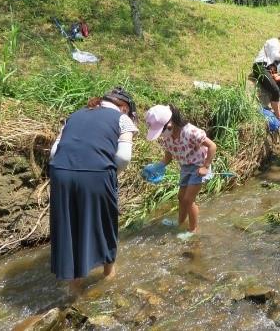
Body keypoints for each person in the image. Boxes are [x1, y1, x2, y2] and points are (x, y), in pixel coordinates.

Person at [49, 87, 138, 294]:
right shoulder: (122, 119)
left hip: (60, 173)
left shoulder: (75, 115)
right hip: (96, 173)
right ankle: (109, 275)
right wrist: (110, 174)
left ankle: (73, 287)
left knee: (70, 227)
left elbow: (54, 151)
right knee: (105, 223)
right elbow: (124, 158)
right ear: (123, 107)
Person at [144, 105, 217, 235]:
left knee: (189, 200)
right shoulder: (168, 138)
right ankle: (180, 223)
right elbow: (168, 158)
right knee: (181, 197)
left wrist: (205, 166)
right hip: (185, 167)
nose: (161, 135)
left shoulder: (190, 132)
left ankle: (193, 229)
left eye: (161, 131)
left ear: (170, 124)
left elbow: (212, 146)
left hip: (198, 166)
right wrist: (157, 167)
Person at [252, 34, 280, 121]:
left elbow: (277, 64)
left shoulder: (278, 49)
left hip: (272, 71)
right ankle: (278, 117)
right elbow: (275, 55)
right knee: (275, 90)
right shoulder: (274, 42)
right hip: (260, 67)